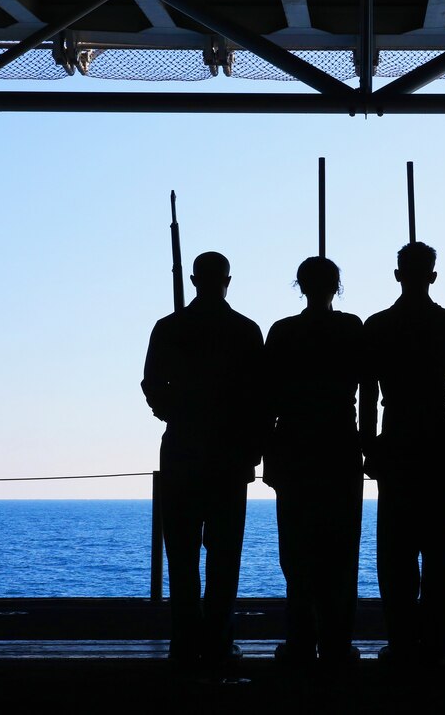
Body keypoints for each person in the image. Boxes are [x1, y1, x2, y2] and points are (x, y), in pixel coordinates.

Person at [141, 251, 264, 667]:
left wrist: (174, 411)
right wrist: (252, 448)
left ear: (193, 280)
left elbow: (152, 385)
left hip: (182, 451)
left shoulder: (170, 327)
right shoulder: (245, 331)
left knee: (182, 554)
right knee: (224, 557)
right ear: (228, 280)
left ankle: (184, 641)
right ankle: (217, 640)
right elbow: (258, 398)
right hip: (230, 455)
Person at [360, 241, 445, 666]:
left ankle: (401, 638)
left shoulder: (378, 325)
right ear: (433, 276)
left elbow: (368, 391)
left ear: (398, 275)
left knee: (397, 551)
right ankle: (438, 640)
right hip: (438, 438)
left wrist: (369, 445)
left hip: (397, 435)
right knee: (440, 550)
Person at [264, 256, 364, 668]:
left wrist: (268, 454)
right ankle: (337, 642)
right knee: (341, 552)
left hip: (294, 449)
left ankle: (301, 641)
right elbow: (367, 385)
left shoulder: (283, 332)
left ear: (299, 285)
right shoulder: (350, 328)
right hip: (340, 446)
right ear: (336, 286)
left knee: (297, 553)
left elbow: (266, 399)